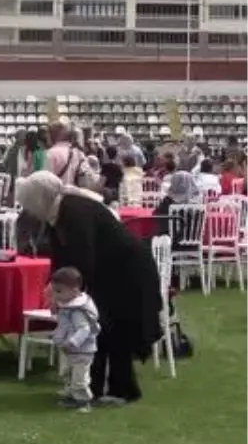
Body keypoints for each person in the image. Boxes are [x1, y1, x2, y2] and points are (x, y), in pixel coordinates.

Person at [16, 171, 162, 405]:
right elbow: (61, 256)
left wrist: (66, 294)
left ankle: (121, 389)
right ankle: (90, 386)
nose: (29, 211)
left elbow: (82, 258)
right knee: (97, 329)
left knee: (114, 329)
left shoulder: (74, 212)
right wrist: (54, 287)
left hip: (127, 271)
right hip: (106, 270)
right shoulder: (57, 214)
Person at [49, 266, 101, 413]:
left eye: (59, 291)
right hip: (69, 349)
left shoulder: (79, 310)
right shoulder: (67, 306)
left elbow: (84, 329)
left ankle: (83, 401)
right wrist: (59, 337)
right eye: (55, 291)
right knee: (68, 372)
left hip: (83, 350)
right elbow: (63, 324)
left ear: (75, 290)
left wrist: (72, 342)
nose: (56, 295)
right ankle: (71, 395)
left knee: (79, 377)